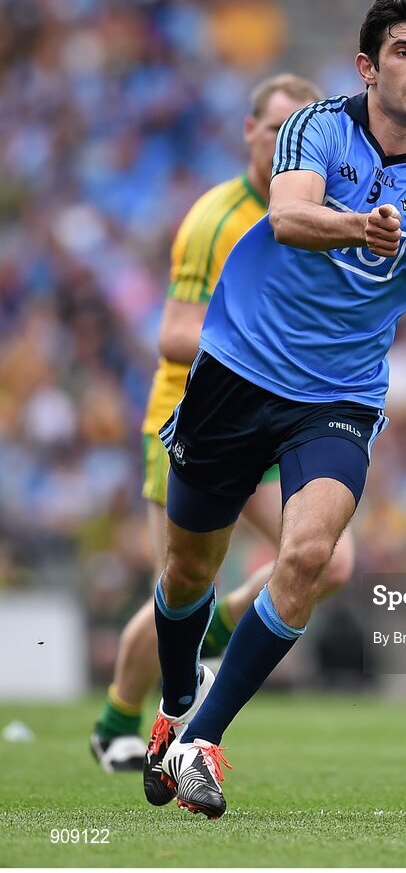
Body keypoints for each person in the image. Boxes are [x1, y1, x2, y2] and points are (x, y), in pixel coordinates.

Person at [143, 0, 406, 819]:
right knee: (189, 569)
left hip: (339, 393)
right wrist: (362, 224)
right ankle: (174, 702)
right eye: (404, 52)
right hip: (239, 370)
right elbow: (290, 217)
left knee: (309, 557)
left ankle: (201, 743)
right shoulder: (317, 126)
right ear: (369, 66)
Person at [90, 74, 355, 778]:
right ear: (248, 132)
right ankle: (117, 720)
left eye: (299, 132)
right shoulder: (216, 219)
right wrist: (259, 343)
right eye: (274, 130)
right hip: (193, 417)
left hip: (275, 415)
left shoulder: (322, 210)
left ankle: (211, 642)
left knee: (331, 561)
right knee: (183, 580)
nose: (286, 144)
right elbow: (173, 334)